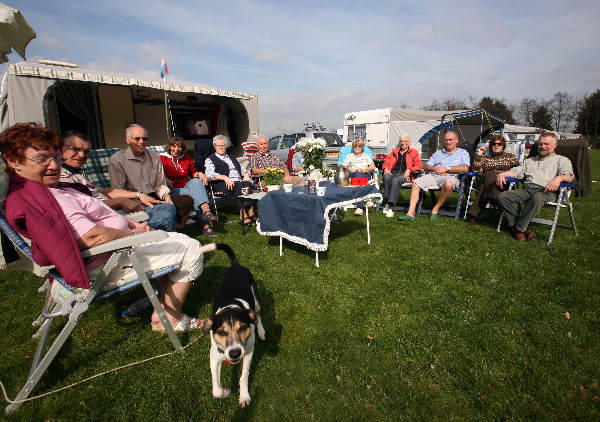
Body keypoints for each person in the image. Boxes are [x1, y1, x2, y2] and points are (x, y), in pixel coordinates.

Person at [1, 123, 205, 332]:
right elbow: (91, 238)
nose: (54, 166)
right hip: (107, 263)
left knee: (175, 236)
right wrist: (133, 233)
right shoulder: (45, 199)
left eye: (56, 158)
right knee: (192, 249)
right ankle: (168, 319)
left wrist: (129, 222)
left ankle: (162, 305)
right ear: (15, 162)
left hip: (115, 248)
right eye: (42, 159)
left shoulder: (48, 189)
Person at [109, 124, 194, 231]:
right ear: (128, 140)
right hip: (135, 201)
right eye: (137, 138)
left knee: (185, 201)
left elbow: (159, 183)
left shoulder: (154, 156)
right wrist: (137, 199)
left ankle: (167, 229)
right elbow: (118, 190)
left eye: (144, 138)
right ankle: (167, 233)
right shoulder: (118, 160)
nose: (141, 141)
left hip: (154, 196)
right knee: (168, 211)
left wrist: (166, 197)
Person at [496, 132, 573, 242]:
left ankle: (518, 229)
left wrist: (559, 179)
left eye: (546, 144)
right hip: (528, 190)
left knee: (536, 198)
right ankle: (518, 227)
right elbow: (516, 171)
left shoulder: (562, 160)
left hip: (547, 191)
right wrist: (502, 174)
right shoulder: (530, 161)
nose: (542, 147)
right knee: (503, 196)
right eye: (540, 144)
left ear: (555, 145)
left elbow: (568, 175)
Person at [60, 130, 147, 213]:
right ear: (59, 149)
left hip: (120, 213)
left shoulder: (77, 173)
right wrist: (121, 201)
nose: (82, 155)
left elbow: (102, 192)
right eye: (75, 149)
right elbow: (86, 206)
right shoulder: (60, 177)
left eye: (86, 151)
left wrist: (138, 195)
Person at [397, 131, 470, 222]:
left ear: (456, 140)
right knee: (416, 183)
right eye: (446, 140)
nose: (448, 142)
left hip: (451, 176)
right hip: (434, 175)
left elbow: (465, 168)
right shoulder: (438, 153)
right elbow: (427, 166)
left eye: (450, 140)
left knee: (448, 185)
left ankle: (435, 210)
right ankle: (410, 213)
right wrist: (435, 169)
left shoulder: (463, 153)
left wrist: (447, 168)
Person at [159, 136, 217, 237]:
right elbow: (157, 174)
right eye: (174, 146)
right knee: (197, 194)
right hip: (172, 188)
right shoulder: (162, 158)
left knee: (196, 182)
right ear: (169, 147)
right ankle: (206, 225)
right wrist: (164, 178)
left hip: (187, 185)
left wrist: (199, 174)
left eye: (179, 147)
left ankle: (206, 211)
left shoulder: (186, 158)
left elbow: (193, 173)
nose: (176, 149)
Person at [466, 134, 519, 226]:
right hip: (486, 181)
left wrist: (503, 175)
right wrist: (479, 154)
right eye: (494, 144)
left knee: (488, 179)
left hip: (504, 183)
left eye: (499, 144)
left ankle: (473, 216)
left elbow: (518, 170)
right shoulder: (485, 158)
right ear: (491, 146)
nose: (496, 145)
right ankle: (496, 201)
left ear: (503, 146)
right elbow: (475, 169)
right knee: (489, 176)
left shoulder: (510, 156)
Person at [204, 135, 256, 226]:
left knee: (247, 183)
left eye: (223, 145)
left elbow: (242, 169)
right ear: (215, 146)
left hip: (238, 182)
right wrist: (224, 177)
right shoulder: (210, 159)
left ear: (226, 146)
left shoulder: (231, 157)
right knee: (240, 187)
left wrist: (246, 174)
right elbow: (209, 174)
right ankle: (243, 213)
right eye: (218, 145)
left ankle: (250, 211)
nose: (221, 147)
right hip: (221, 183)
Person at [380, 134, 422, 218]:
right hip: (393, 173)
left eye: (405, 141)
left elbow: (418, 165)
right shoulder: (394, 152)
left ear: (409, 142)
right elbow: (386, 162)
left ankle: (391, 207)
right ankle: (388, 202)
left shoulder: (414, 152)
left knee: (396, 180)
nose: (403, 143)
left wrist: (409, 169)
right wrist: (386, 169)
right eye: (401, 141)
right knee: (386, 177)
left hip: (406, 175)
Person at [342, 138, 375, 216]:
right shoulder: (349, 156)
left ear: (362, 147)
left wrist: (365, 170)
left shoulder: (366, 156)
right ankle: (365, 201)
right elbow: (343, 166)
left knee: (360, 176)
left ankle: (360, 207)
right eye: (355, 146)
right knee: (357, 175)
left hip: (365, 174)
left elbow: (372, 166)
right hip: (353, 175)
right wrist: (351, 170)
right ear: (353, 147)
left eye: (359, 146)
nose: (357, 148)